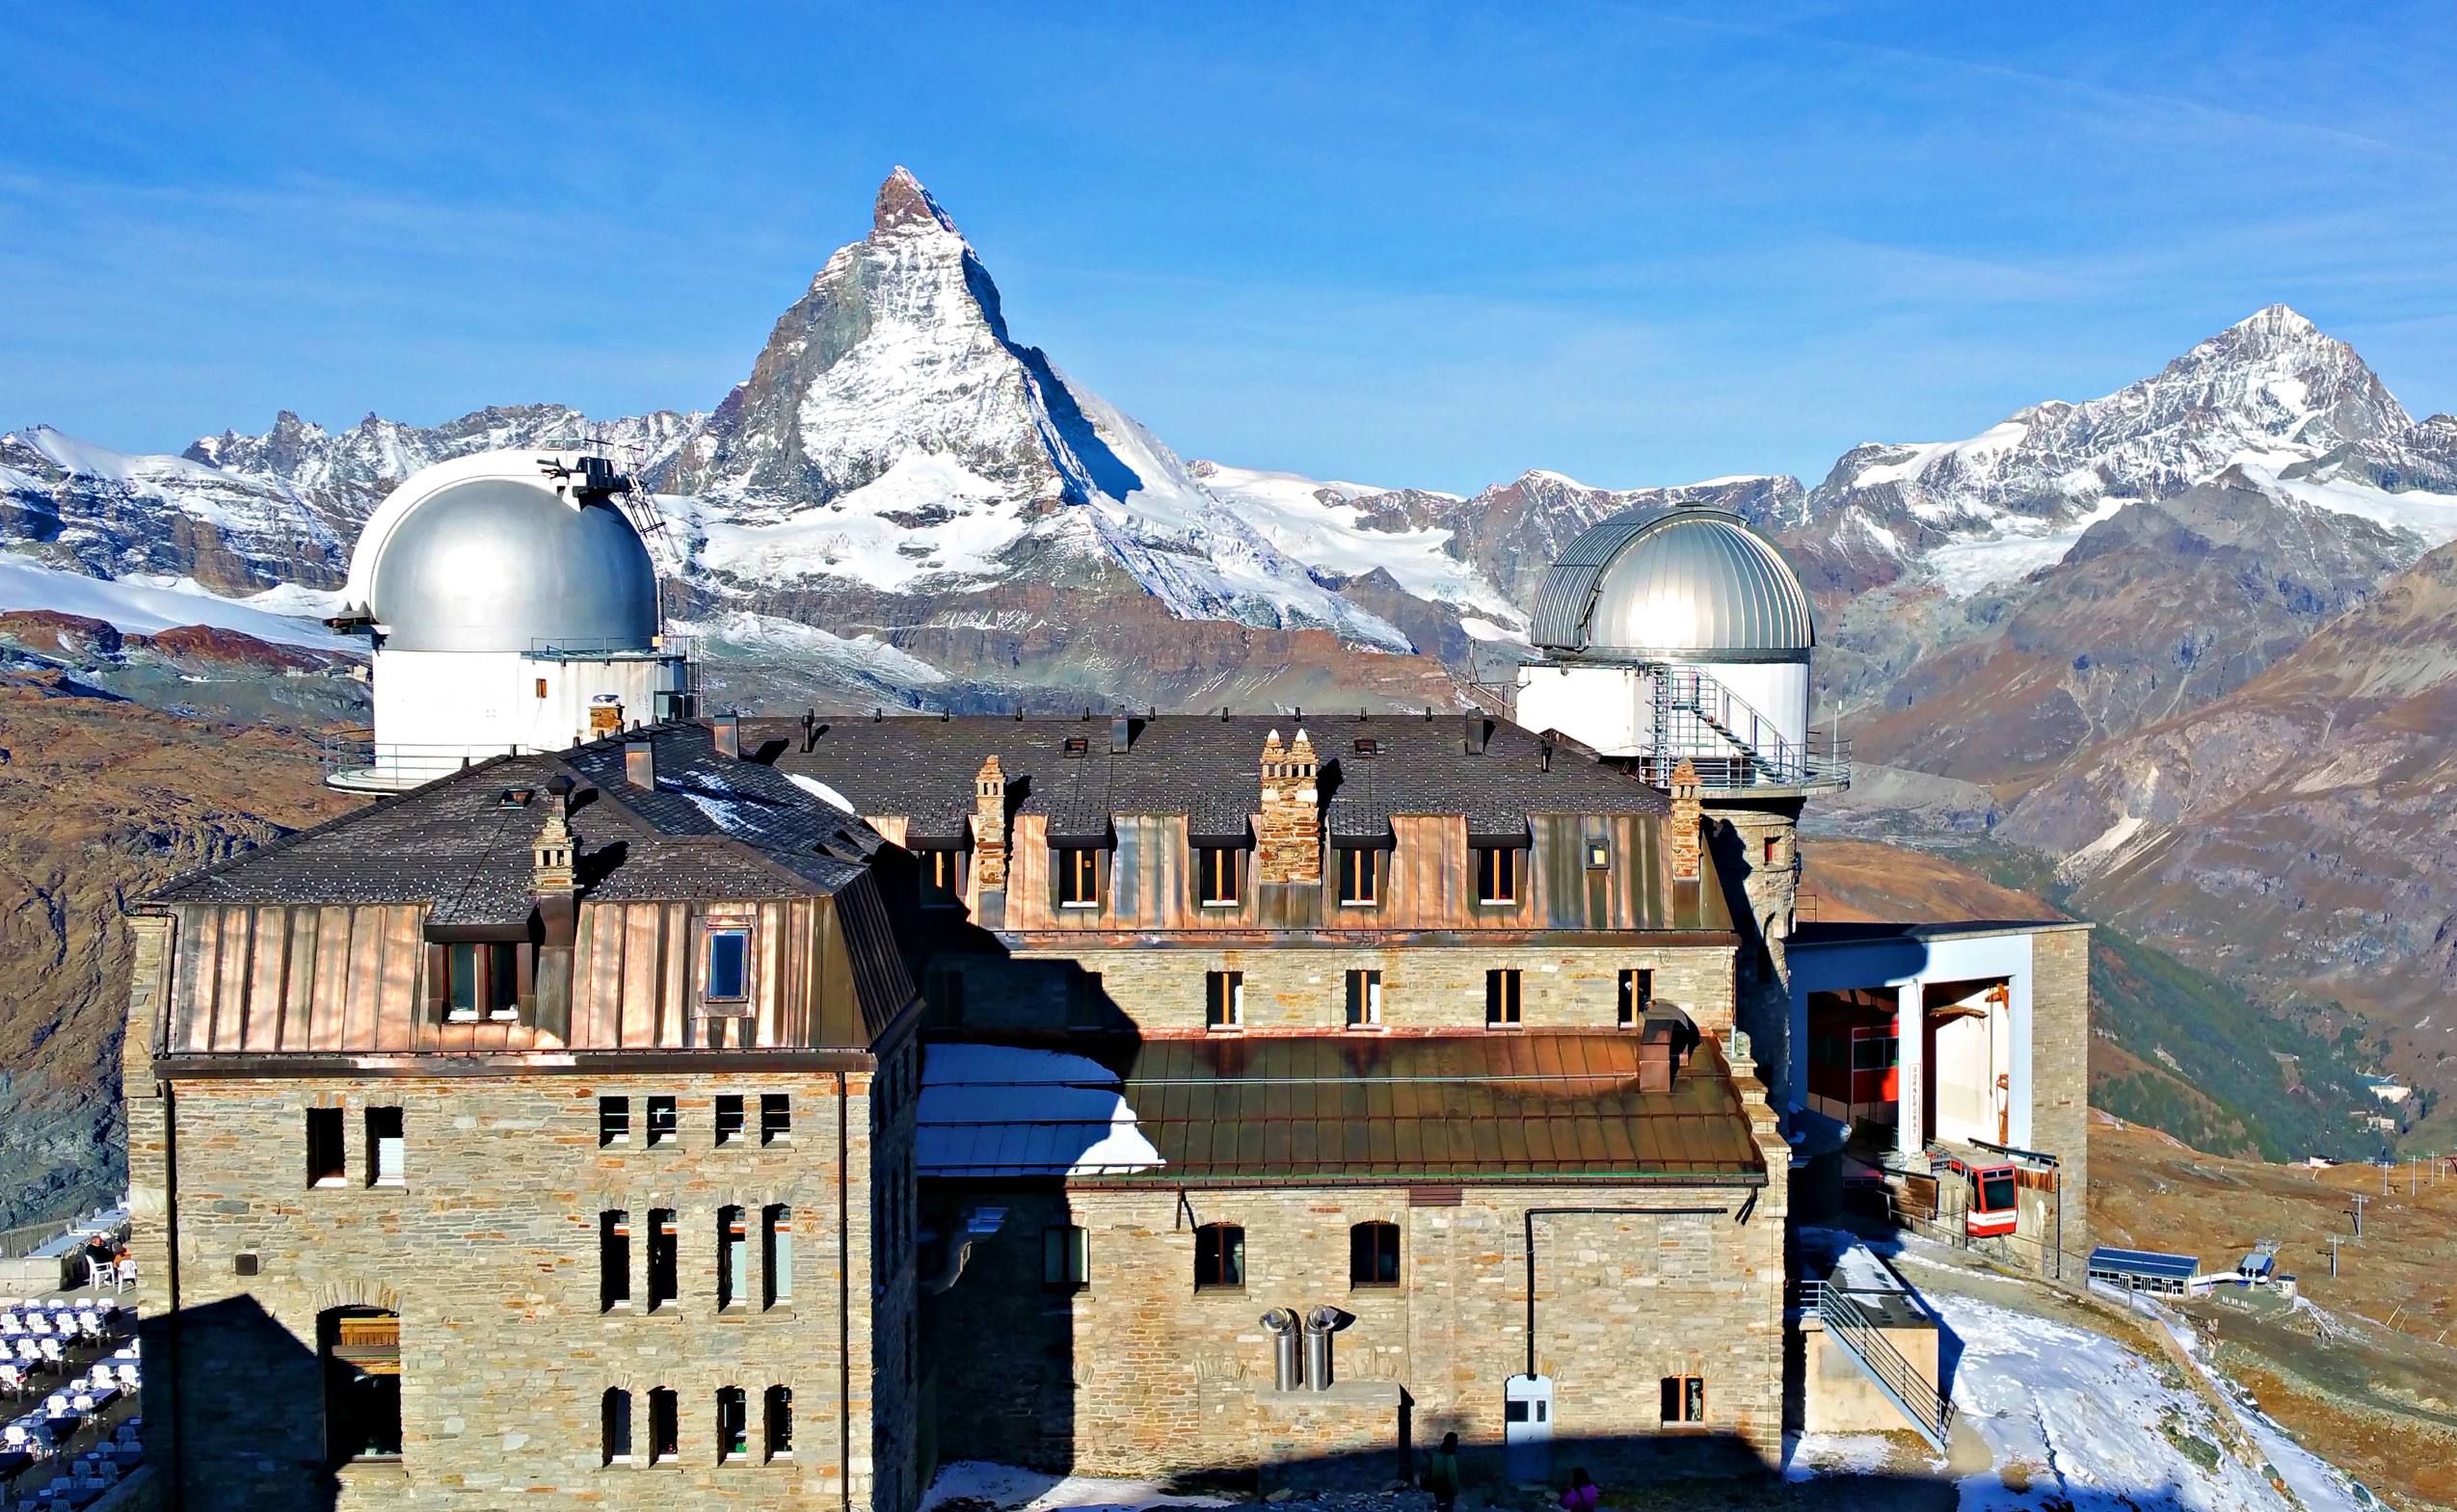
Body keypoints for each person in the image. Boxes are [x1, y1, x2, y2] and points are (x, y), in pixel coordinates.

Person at [1424, 1431, 1461, 1512]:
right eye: (1456, 1442)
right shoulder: (1448, 1457)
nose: (1457, 1444)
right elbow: (1452, 1476)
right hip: (1446, 1492)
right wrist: (1455, 1491)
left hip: (1438, 1492)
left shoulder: (1437, 1455)